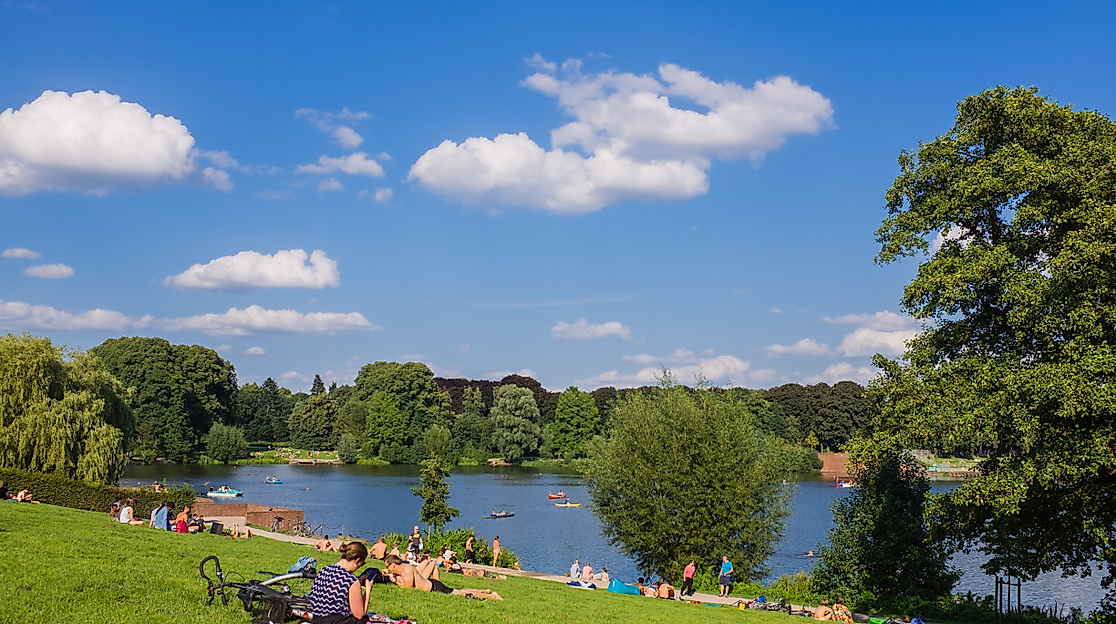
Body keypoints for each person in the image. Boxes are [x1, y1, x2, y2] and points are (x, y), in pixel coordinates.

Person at [307, 541, 374, 624]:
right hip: (337, 620)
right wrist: (368, 590)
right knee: (363, 620)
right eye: (361, 564)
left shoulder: (324, 570)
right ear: (357, 560)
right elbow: (359, 614)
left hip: (316, 618)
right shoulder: (351, 580)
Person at [383, 554, 503, 600]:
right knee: (458, 591)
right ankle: (485, 590)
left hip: (435, 587)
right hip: (431, 583)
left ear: (393, 565)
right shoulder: (402, 570)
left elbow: (408, 588)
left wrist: (394, 581)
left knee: (462, 594)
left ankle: (493, 596)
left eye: (388, 566)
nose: (388, 569)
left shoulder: (407, 569)